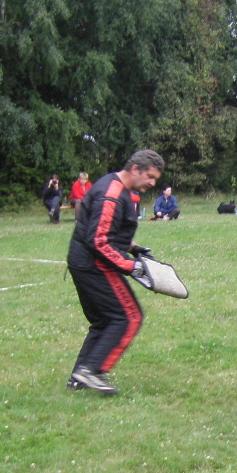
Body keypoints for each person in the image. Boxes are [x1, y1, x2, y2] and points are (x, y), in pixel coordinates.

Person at [66, 149, 164, 394]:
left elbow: (107, 229)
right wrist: (132, 267)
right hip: (94, 265)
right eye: (150, 177)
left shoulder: (116, 188)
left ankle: (79, 377)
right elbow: (98, 241)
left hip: (85, 262)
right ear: (135, 170)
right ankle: (94, 372)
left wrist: (133, 248)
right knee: (129, 316)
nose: (152, 183)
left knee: (103, 321)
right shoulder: (111, 194)